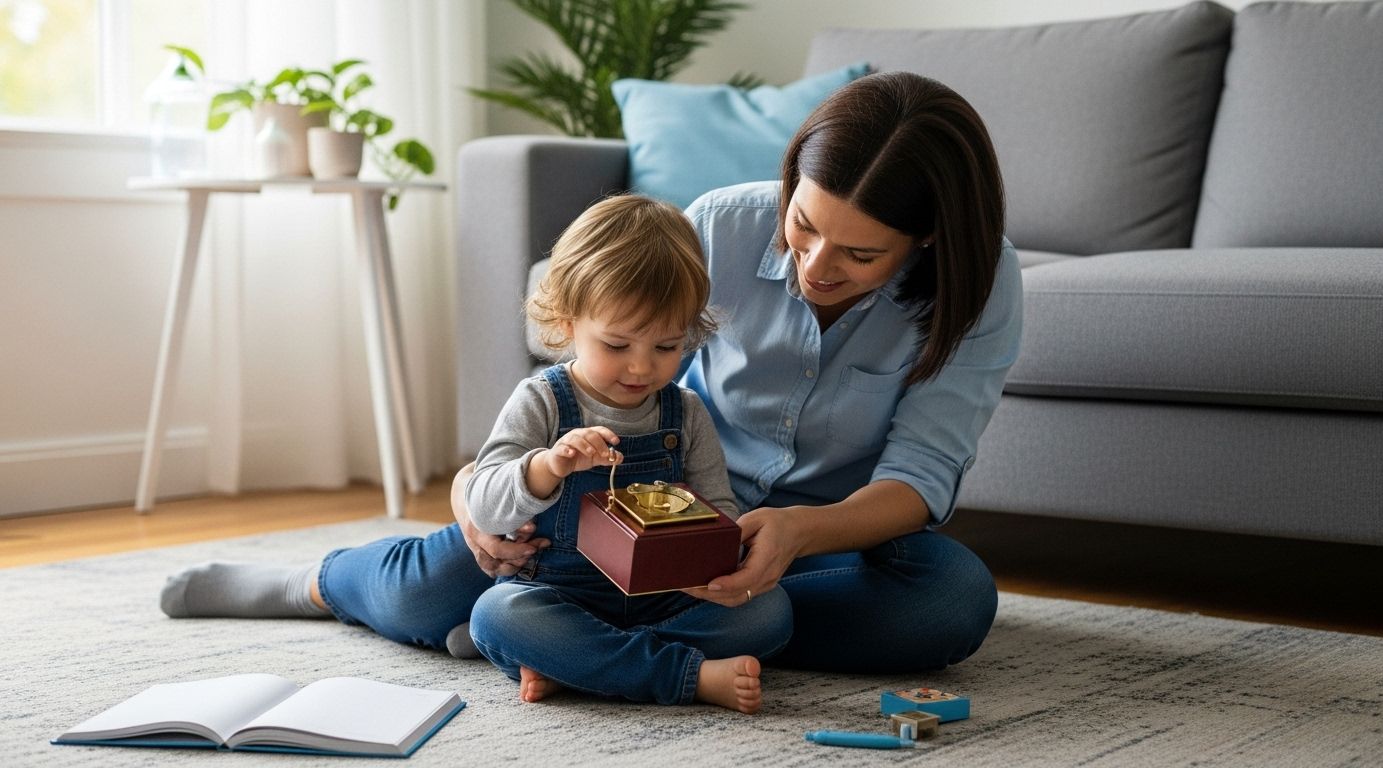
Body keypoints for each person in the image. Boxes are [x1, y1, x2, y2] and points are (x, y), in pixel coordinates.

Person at [159, 70, 1019, 679]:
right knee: (464, 579)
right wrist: (476, 491)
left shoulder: (978, 284)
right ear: (791, 181)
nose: (813, 266)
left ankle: (571, 645)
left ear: (928, 242)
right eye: (802, 225)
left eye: (860, 254)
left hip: (806, 545)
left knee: (947, 601)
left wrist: (792, 534)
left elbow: (922, 474)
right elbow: (585, 358)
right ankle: (324, 583)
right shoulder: (718, 225)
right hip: (612, 521)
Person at [162, 194, 791, 713]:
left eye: (666, 347)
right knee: (496, 614)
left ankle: (575, 662)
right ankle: (670, 675)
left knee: (770, 615)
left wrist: (709, 552)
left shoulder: (686, 413)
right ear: (567, 320)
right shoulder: (544, 400)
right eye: (619, 342)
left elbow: (720, 510)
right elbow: (487, 500)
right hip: (548, 589)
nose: (641, 366)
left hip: (656, 601)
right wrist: (549, 466)